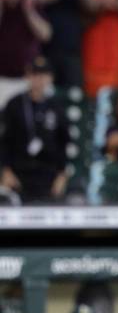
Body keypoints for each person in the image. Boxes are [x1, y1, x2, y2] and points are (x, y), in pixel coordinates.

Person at [0, 57, 68, 203]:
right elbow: (4, 141)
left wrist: (62, 175)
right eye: (35, 74)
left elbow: (64, 143)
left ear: (50, 78)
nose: (39, 79)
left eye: (44, 75)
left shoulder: (57, 107)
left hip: (48, 176)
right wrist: (5, 171)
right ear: (28, 76)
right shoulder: (14, 104)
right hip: (19, 175)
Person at [0, 0, 51, 109]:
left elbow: (46, 35)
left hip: (27, 77)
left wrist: (28, 10)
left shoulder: (30, 3)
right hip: (2, 77)